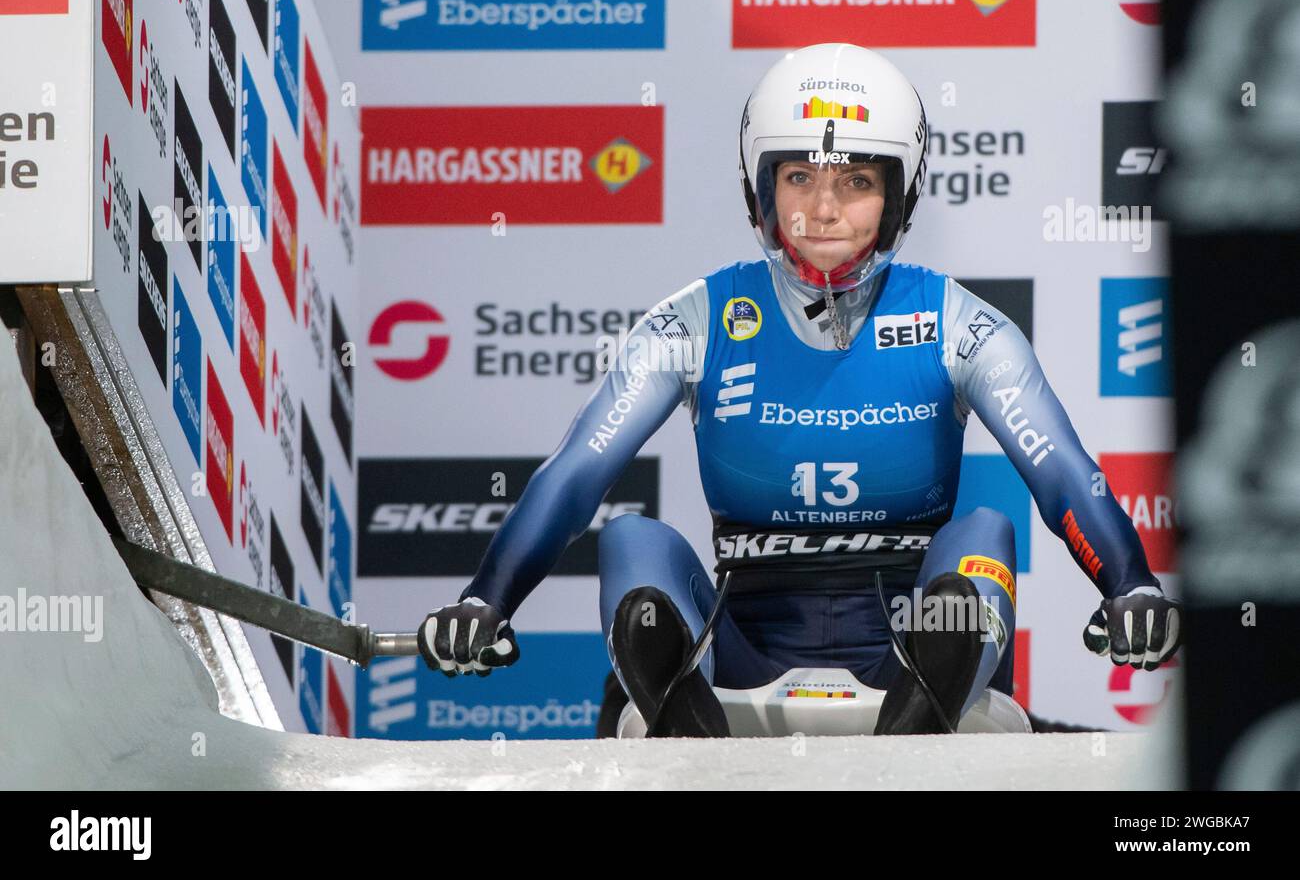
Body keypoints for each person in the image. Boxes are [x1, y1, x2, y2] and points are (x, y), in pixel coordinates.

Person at [416, 43, 1182, 736]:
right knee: (631, 540)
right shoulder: (696, 319)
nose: (823, 209)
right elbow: (579, 470)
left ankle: (909, 744)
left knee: (985, 533)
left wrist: (1130, 587)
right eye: (799, 177)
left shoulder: (959, 323)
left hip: (915, 652)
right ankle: (694, 751)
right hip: (736, 656)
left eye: (855, 180)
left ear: (898, 195)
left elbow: (1060, 472)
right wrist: (488, 600)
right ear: (761, 187)